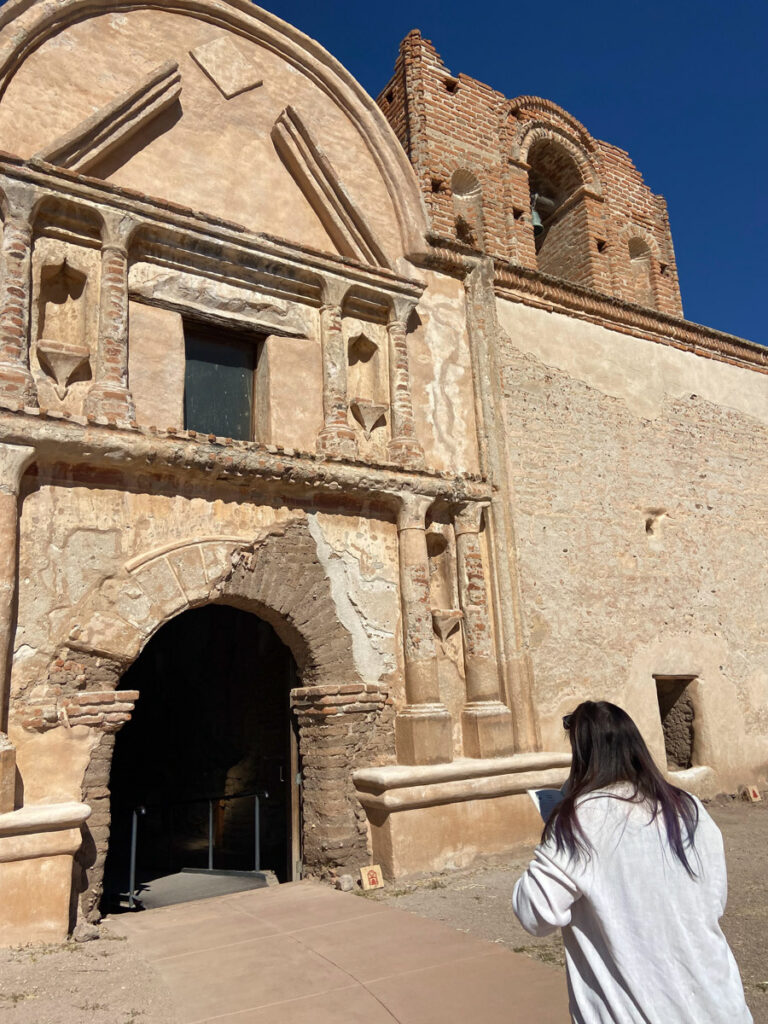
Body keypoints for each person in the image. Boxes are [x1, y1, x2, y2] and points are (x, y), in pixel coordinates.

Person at [512, 700, 753, 1024]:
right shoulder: (690, 808)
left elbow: (535, 913)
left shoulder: (582, 819)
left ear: (583, 758)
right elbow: (714, 899)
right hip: (720, 1007)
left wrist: (556, 827)